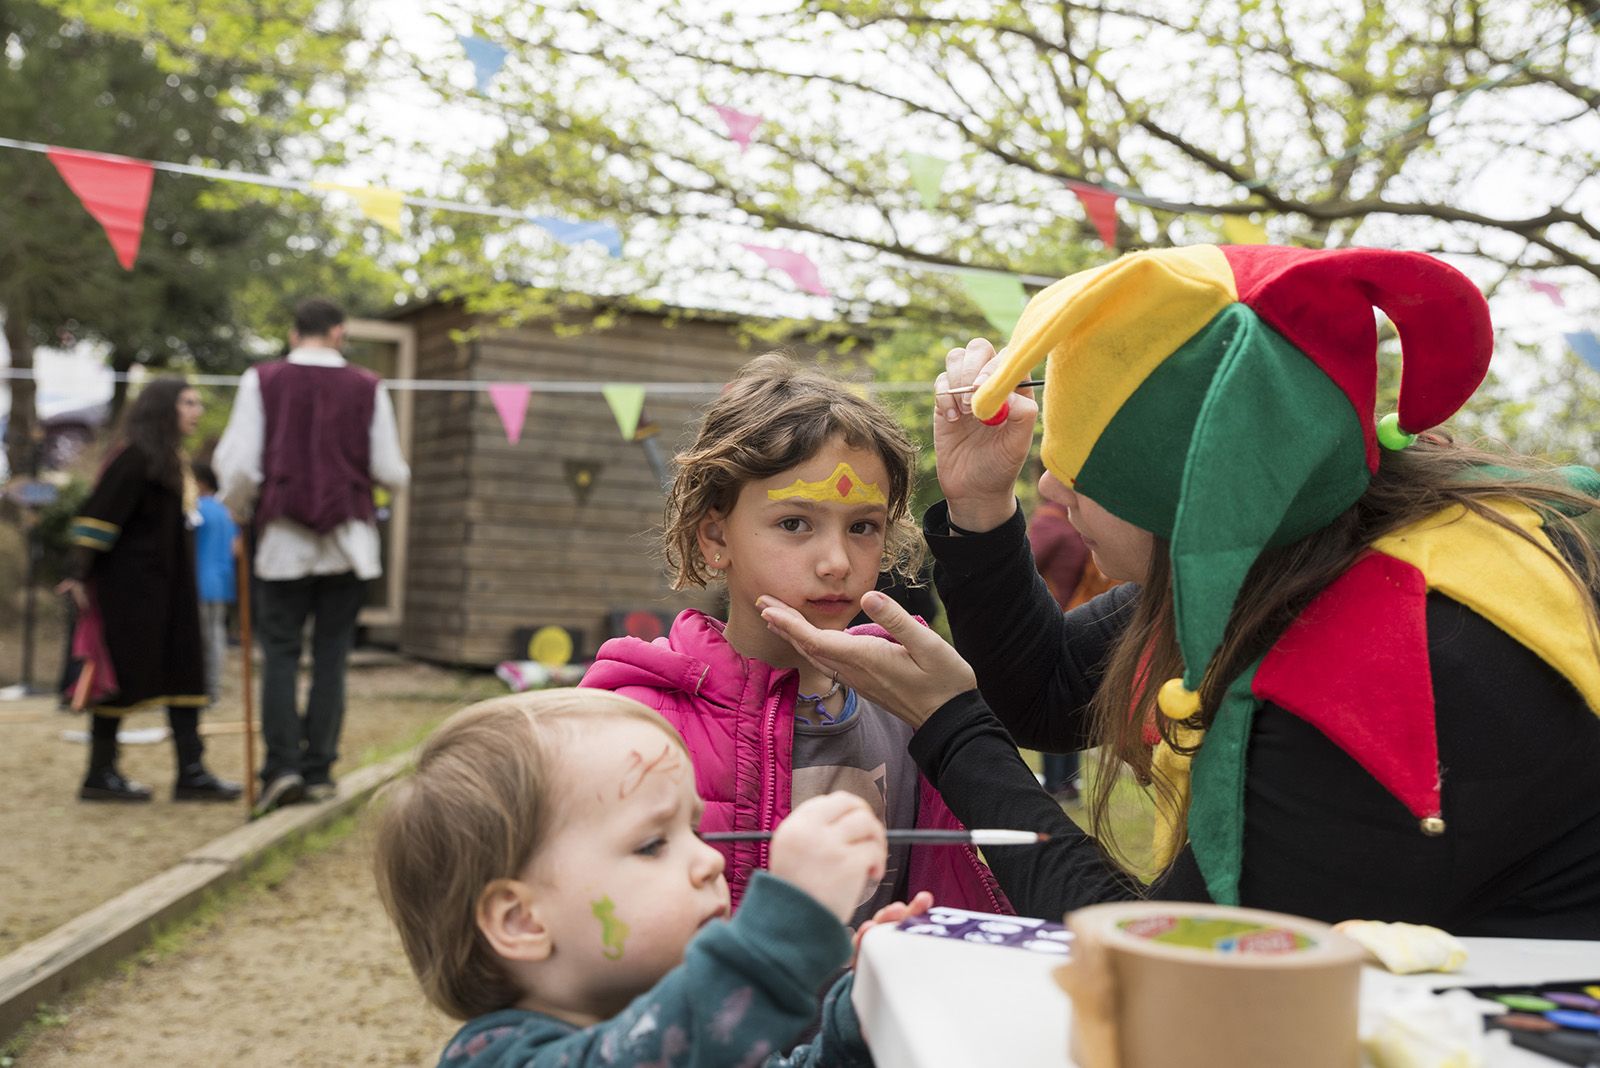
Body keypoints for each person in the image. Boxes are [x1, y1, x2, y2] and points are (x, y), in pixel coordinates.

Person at [761, 244, 1600, 938]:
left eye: (1087, 467)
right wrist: (981, 506)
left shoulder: (1387, 659)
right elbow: (1050, 693)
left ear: (1195, 494)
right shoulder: (1287, 546)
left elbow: (1177, 955)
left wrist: (950, 728)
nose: (1049, 489)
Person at [582, 353, 1008, 921]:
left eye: (863, 527)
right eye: (794, 524)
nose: (836, 562)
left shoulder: (908, 701)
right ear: (715, 535)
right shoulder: (638, 719)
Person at [372, 688, 912, 1067]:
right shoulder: (497, 1058)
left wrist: (856, 1018)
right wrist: (789, 924)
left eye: (695, 830)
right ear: (521, 920)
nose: (711, 862)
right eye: (653, 844)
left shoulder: (703, 1031)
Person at [215, 297, 410, 816]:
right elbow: (392, 470)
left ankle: (282, 768)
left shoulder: (263, 380)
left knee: (279, 653)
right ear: (340, 333)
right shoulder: (368, 387)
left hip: (281, 542)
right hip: (350, 545)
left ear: (293, 332)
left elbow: (237, 469)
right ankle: (320, 769)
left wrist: (240, 512)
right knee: (331, 657)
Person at [58, 379, 242, 802]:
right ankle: (100, 774)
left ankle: (191, 771)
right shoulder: (135, 456)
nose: (196, 410)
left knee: (185, 669)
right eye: (188, 403)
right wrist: (78, 572)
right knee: (121, 674)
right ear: (164, 408)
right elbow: (96, 520)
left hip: (172, 589)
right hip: (130, 591)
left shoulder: (170, 458)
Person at [1026, 490, 1113, 801]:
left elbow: (1025, 566)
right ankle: (1070, 782)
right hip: (1084, 615)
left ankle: (1054, 782)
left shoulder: (1050, 521)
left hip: (1051, 620)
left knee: (1050, 698)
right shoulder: (1081, 524)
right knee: (1075, 703)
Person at [191, 460, 237, 706]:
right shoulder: (226, 511)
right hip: (222, 581)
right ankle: (214, 690)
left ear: (201, 483)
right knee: (216, 636)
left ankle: (205, 691)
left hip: (199, 581)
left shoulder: (196, 509)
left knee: (201, 639)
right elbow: (236, 548)